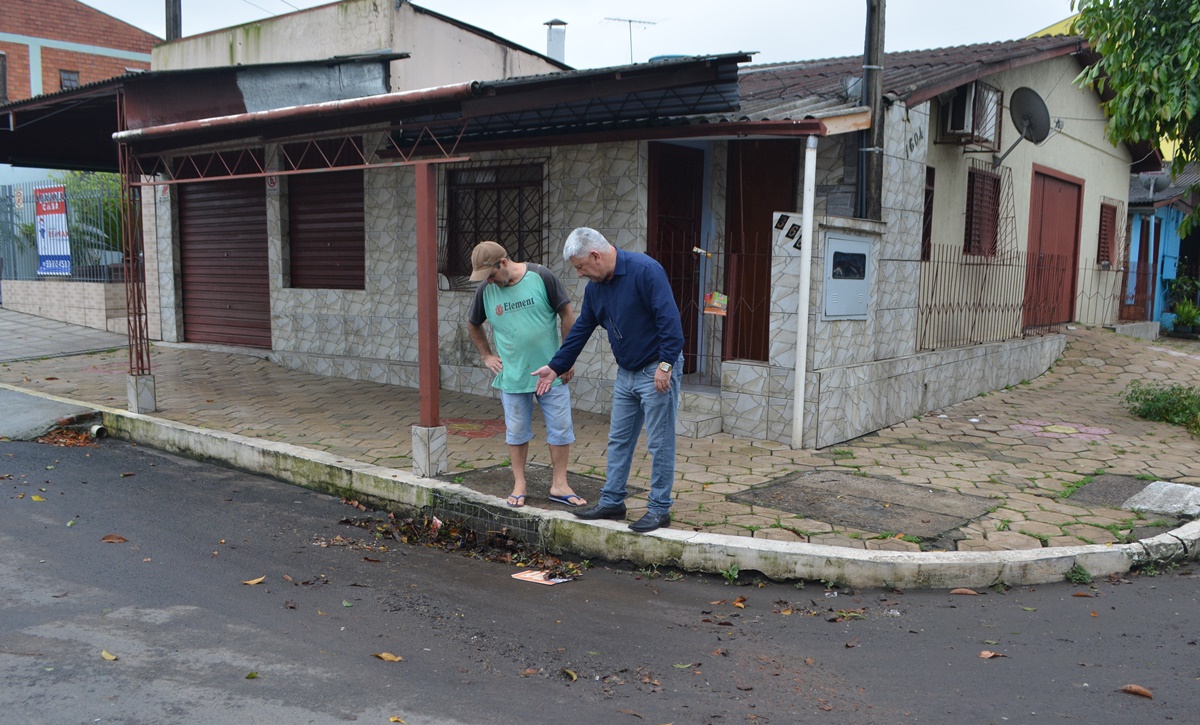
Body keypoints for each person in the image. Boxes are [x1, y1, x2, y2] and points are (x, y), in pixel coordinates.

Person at [532, 228, 684, 533]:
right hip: (626, 372)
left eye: (580, 267)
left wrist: (666, 365)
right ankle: (613, 501)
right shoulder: (595, 289)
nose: (579, 274)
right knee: (618, 439)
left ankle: (659, 509)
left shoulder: (646, 271)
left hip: (656, 369)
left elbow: (670, 321)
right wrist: (556, 365)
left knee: (659, 442)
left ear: (596, 256)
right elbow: (581, 329)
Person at [466, 241, 586, 509]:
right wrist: (486, 355)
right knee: (517, 431)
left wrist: (566, 359)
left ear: (504, 263)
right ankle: (520, 483)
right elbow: (473, 324)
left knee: (560, 428)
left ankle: (560, 484)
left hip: (550, 373)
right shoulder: (486, 290)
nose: (491, 282)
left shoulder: (541, 276)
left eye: (492, 275)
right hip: (513, 376)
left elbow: (567, 314)